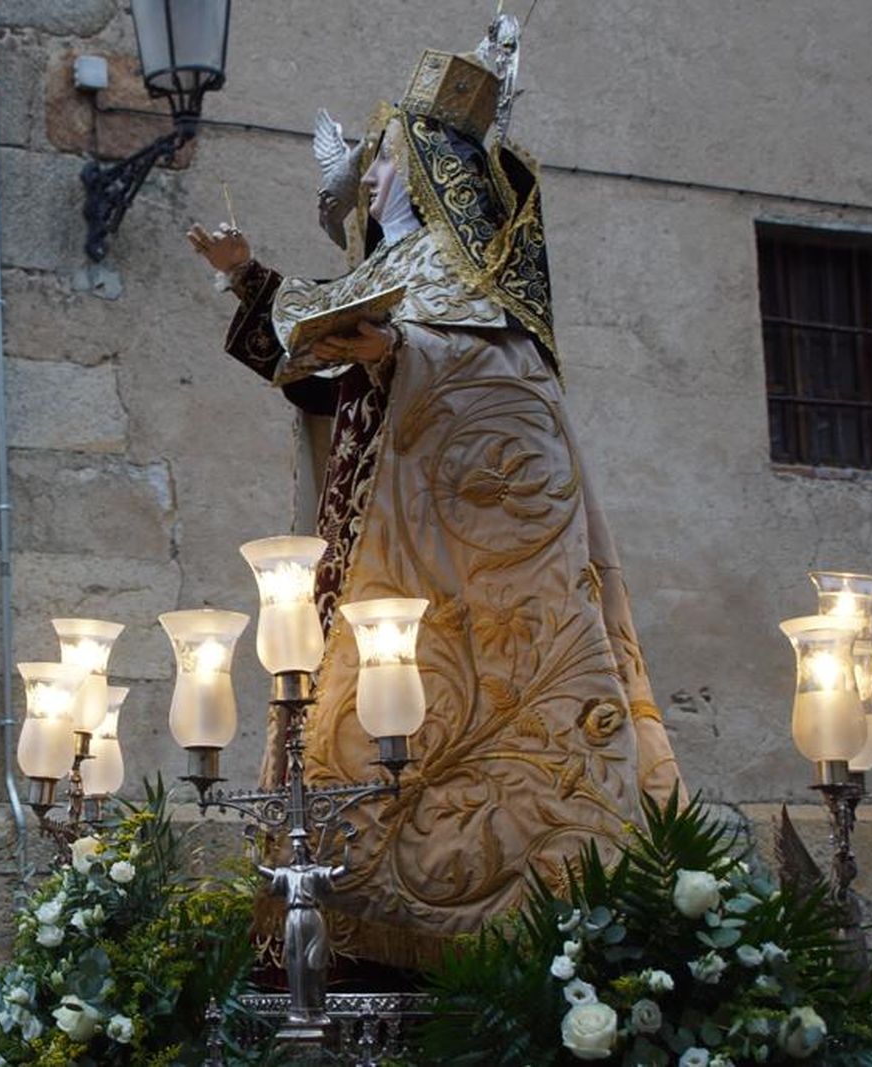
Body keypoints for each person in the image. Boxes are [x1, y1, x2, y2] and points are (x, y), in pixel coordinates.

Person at [187, 20, 681, 968]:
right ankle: (352, 934)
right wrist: (247, 280)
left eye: (382, 163)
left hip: (465, 574)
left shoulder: (470, 278)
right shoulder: (388, 272)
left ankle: (520, 940)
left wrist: (398, 350)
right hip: (370, 540)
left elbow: (505, 396)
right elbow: (313, 372)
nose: (367, 179)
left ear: (425, 170)